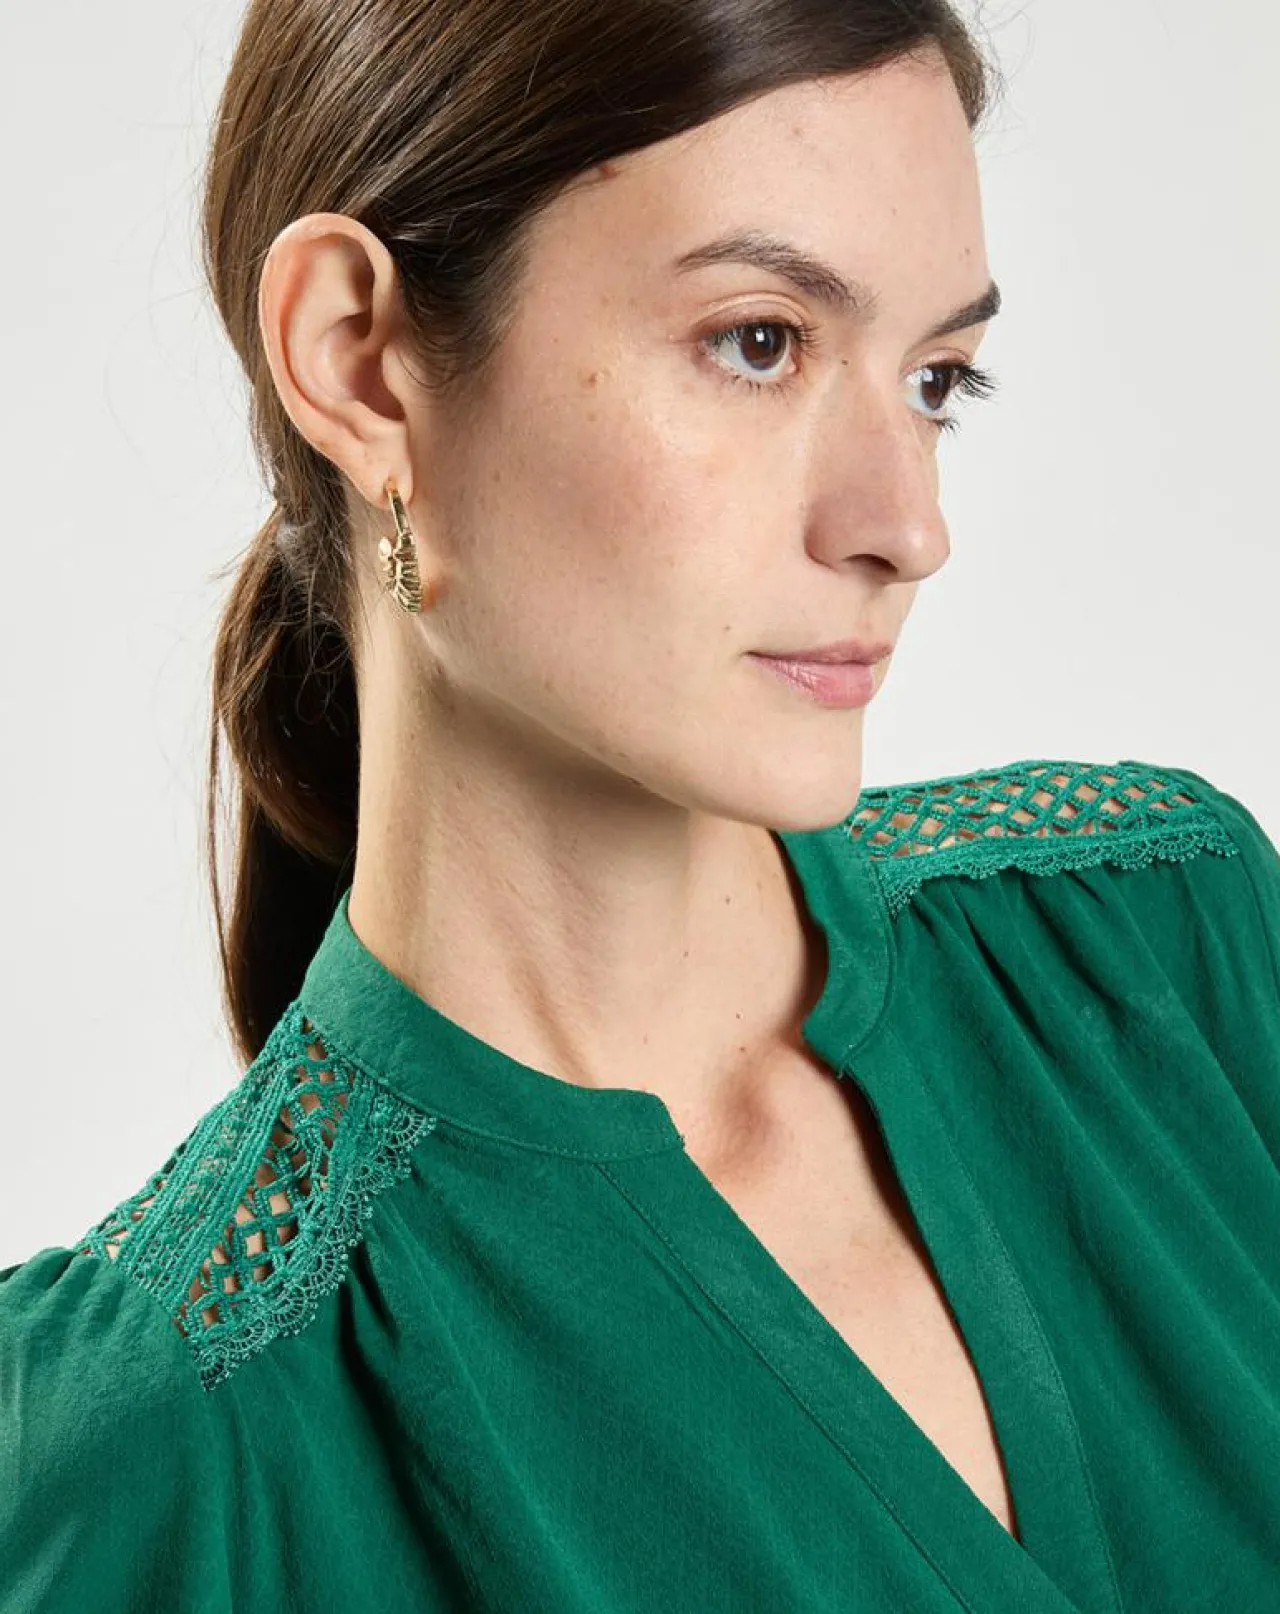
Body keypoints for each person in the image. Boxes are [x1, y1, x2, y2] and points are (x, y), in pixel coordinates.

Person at [4, 0, 1280, 1607]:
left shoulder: (1165, 946)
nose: (908, 524)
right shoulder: (167, 1449)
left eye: (936, 376)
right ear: (361, 364)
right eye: (761, 342)